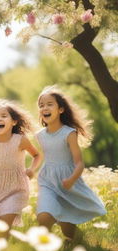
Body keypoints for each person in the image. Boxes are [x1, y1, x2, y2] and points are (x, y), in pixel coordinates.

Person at [36, 86, 106, 242]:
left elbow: (79, 163)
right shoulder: (39, 136)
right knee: (44, 216)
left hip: (67, 181)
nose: (44, 108)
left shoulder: (69, 133)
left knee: (67, 226)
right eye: (41, 105)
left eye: (49, 104)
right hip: (47, 181)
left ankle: (76, 240)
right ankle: (44, 248)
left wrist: (72, 180)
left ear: (60, 109)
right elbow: (44, 157)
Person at [0, 99, 41, 236]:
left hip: (16, 188)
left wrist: (32, 169)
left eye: (4, 116)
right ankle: (2, 246)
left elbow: (37, 155)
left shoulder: (20, 140)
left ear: (14, 122)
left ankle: (3, 243)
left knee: (5, 223)